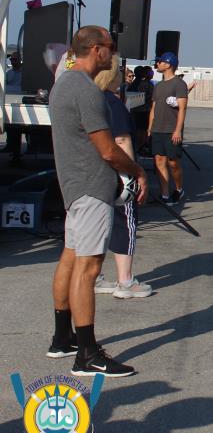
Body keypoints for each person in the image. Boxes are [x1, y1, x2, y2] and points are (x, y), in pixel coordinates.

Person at [47, 26, 147, 377]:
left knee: (71, 260)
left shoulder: (63, 84)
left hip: (74, 186)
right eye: (111, 47)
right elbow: (107, 149)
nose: (113, 53)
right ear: (96, 49)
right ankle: (88, 354)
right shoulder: (87, 90)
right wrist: (138, 171)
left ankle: (63, 338)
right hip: (91, 188)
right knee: (88, 268)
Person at [94, 57, 152, 299]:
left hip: (93, 174)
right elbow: (121, 141)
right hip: (119, 175)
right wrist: (135, 173)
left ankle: (94, 276)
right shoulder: (113, 103)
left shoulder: (90, 100)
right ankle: (125, 281)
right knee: (125, 223)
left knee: (95, 226)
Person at [148, 51, 188, 203]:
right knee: (159, 161)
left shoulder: (179, 84)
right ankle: (164, 195)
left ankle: (178, 189)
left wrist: (178, 130)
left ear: (168, 64)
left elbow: (182, 108)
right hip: (157, 129)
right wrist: (149, 128)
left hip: (171, 130)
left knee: (173, 163)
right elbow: (153, 108)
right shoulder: (158, 85)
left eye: (160, 62)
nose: (157, 64)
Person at [128, 65, 155, 155]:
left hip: (138, 111)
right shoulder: (145, 84)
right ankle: (140, 147)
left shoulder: (135, 83)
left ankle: (141, 146)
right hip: (143, 111)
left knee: (141, 130)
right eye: (150, 72)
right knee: (142, 131)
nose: (151, 74)